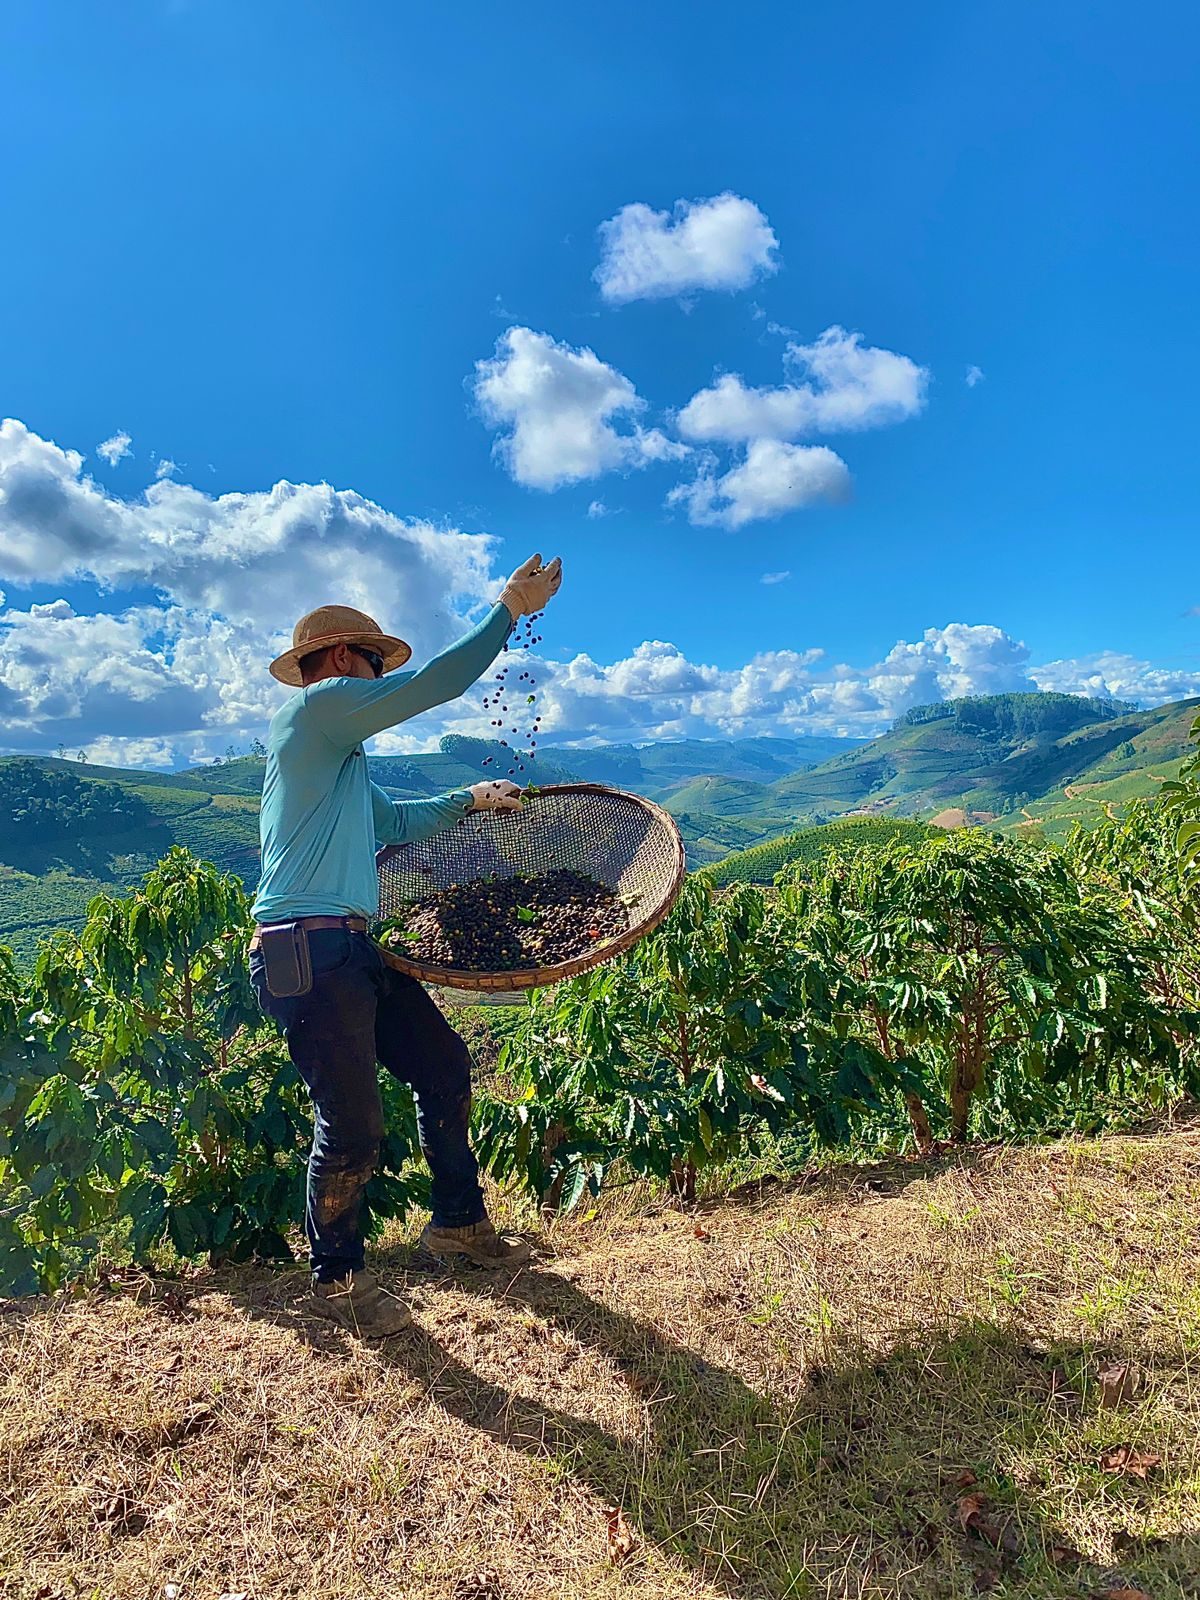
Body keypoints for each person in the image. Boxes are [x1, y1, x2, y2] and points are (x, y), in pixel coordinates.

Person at [248, 553, 563, 1338]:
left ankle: (458, 1224)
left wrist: (472, 799)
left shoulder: (340, 765)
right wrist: (506, 609)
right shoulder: (318, 710)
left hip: (351, 949)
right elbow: (436, 687)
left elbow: (396, 822)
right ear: (342, 661)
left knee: (444, 1068)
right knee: (351, 1129)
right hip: (305, 950)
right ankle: (338, 1282)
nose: (374, 677)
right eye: (370, 663)